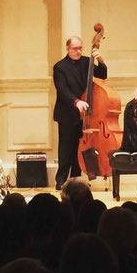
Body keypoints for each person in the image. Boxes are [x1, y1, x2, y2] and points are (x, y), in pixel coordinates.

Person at [53, 36, 107, 190]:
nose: (78, 51)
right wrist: (76, 101)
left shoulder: (86, 62)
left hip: (87, 113)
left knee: (81, 147)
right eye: (75, 48)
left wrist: (101, 61)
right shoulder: (60, 67)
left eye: (80, 48)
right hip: (67, 113)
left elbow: (102, 76)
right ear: (68, 48)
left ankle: (76, 179)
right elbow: (62, 89)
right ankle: (61, 180)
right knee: (66, 147)